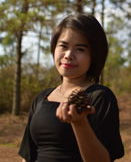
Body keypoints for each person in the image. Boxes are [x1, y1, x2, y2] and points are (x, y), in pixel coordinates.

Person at [18, 13, 124, 162]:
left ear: (94, 55)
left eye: (80, 49)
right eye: (63, 46)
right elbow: (28, 156)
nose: (68, 55)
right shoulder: (41, 98)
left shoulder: (100, 97)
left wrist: (79, 123)